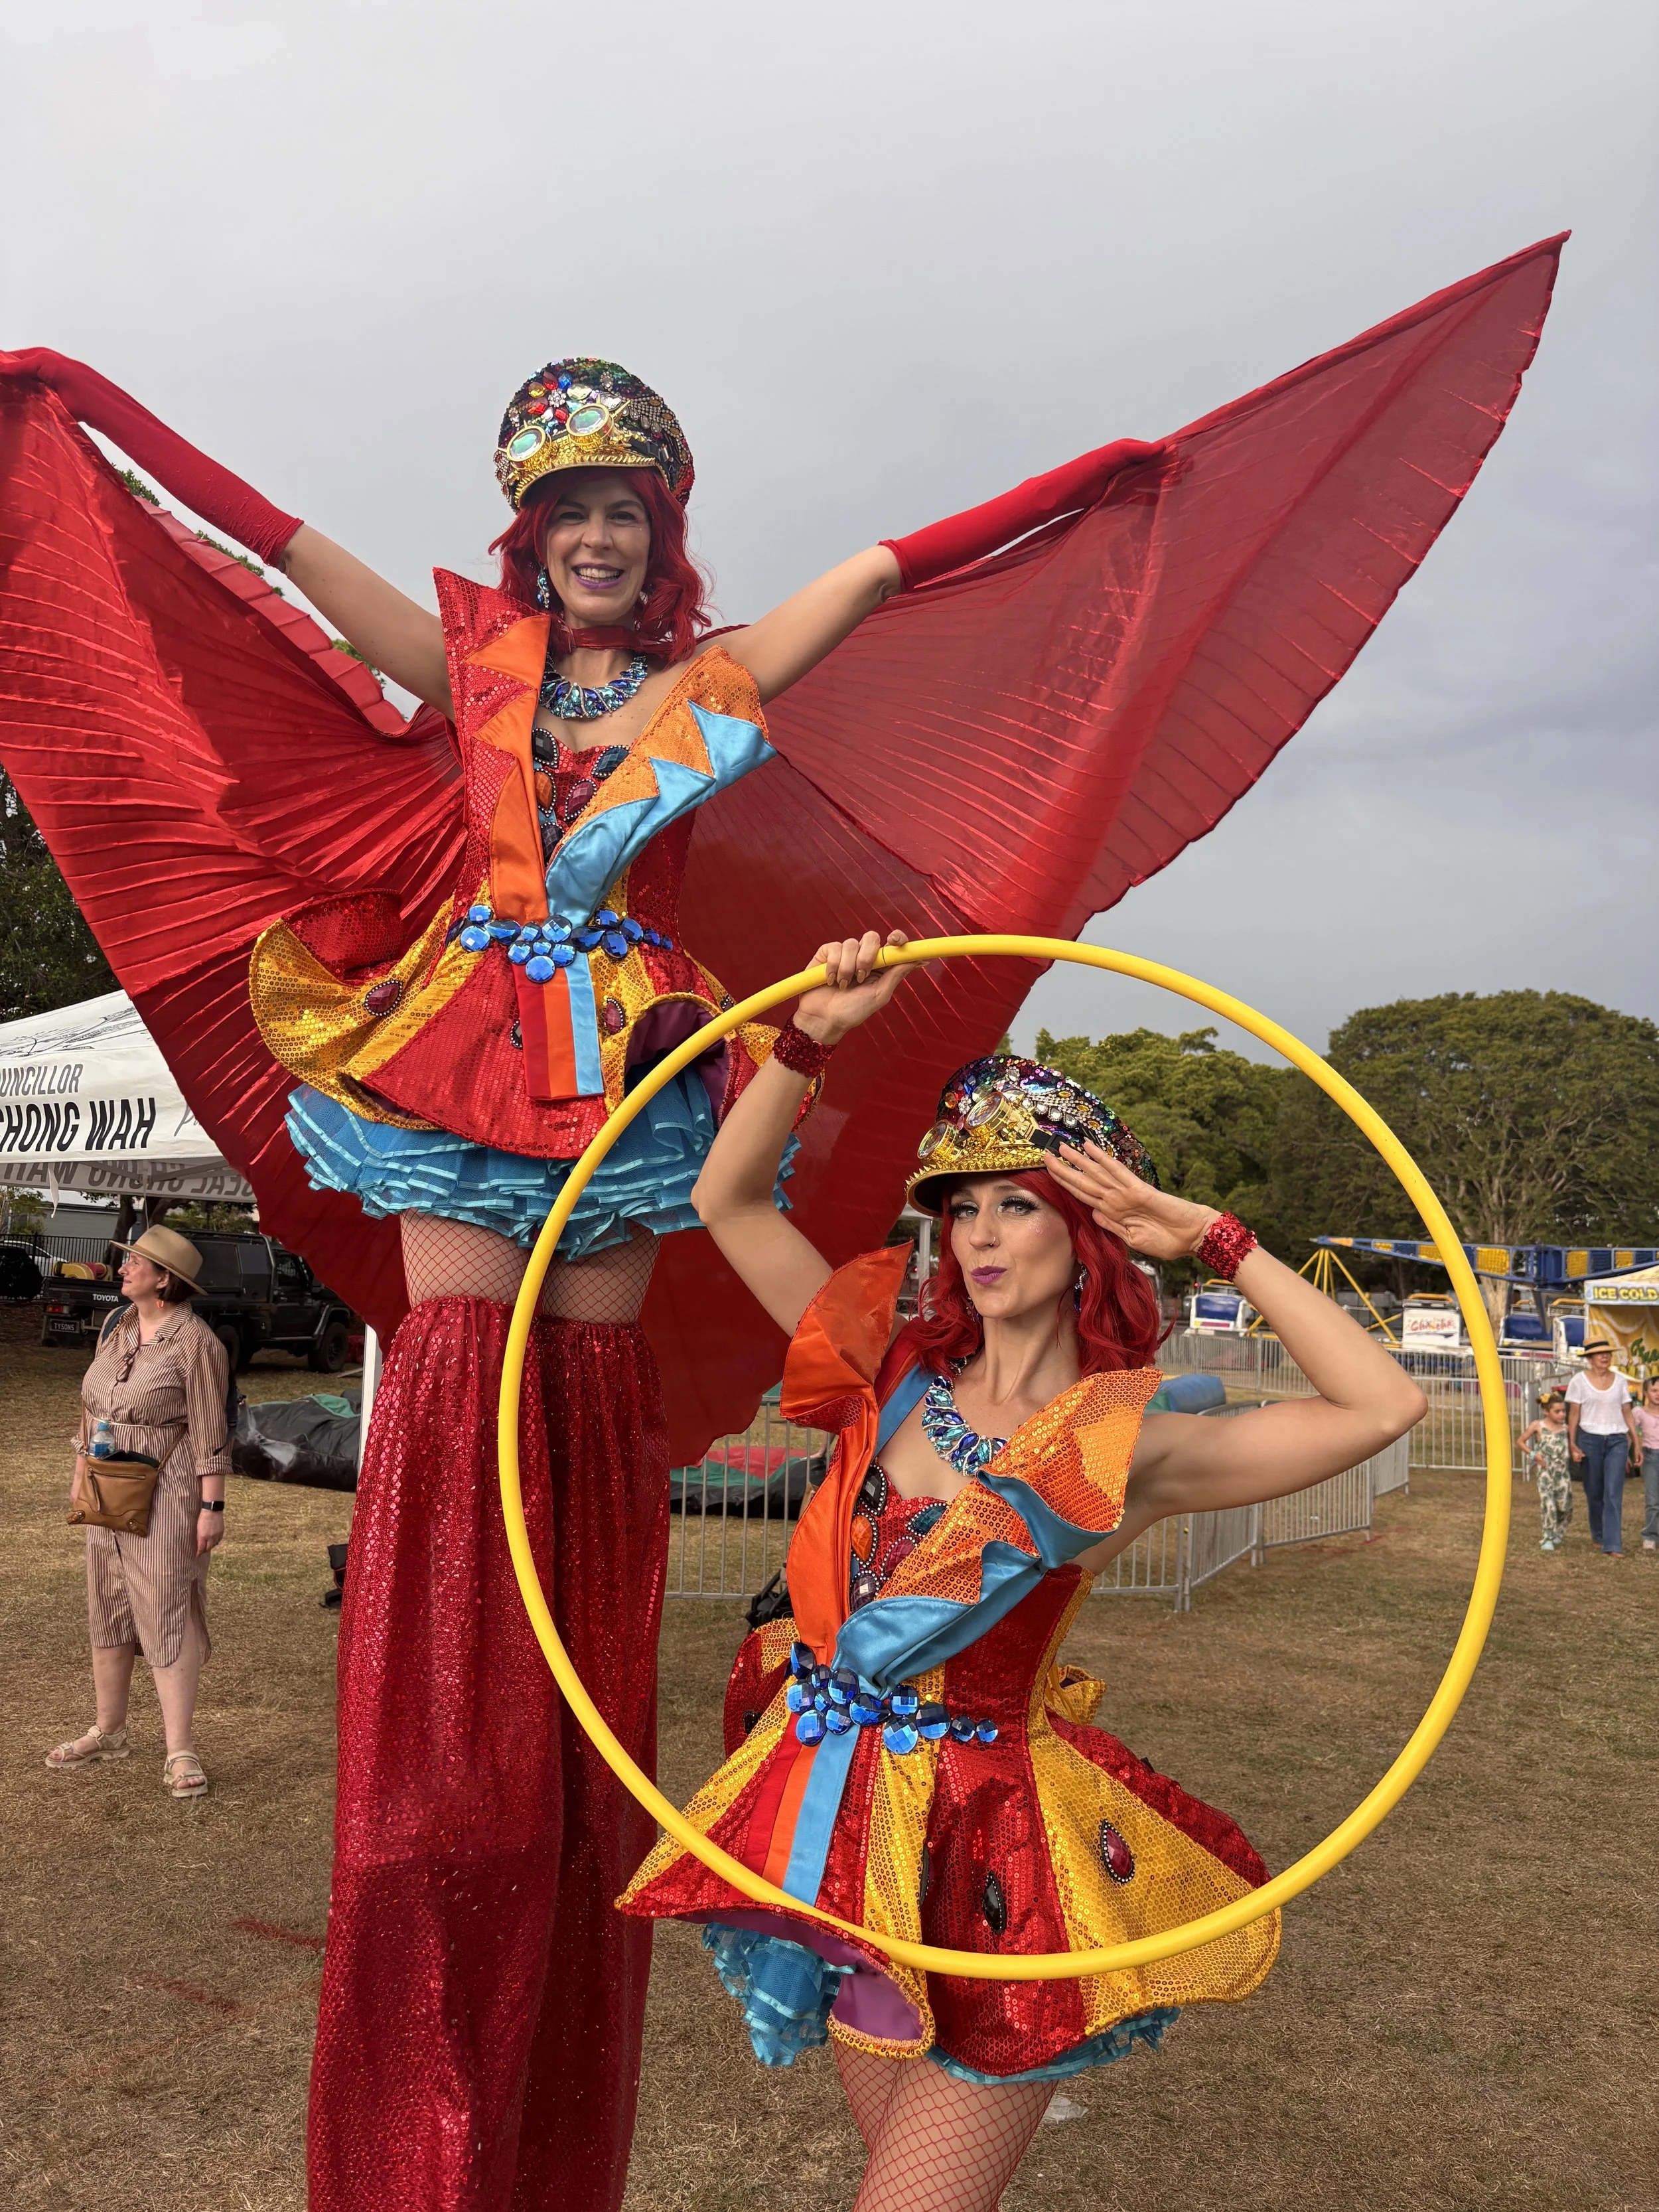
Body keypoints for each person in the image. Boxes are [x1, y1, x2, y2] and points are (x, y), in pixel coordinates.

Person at [0, 246, 1561, 2207]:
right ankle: (449, 1762)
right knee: (463, 1382)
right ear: (525, 532)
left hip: (638, 1072)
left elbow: (896, 575)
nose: (590, 532)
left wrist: (1102, 487)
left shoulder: (701, 694)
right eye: (562, 505)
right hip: (466, 1040)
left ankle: (557, 1763)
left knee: (576, 1397)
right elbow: (274, 553)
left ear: (660, 534)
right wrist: (86, 410)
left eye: (623, 507)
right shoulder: (470, 664)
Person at [621, 930, 1427, 2212]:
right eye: (963, 1206)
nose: (981, 1234)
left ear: (1091, 1232)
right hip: (837, 1826)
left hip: (996, 1856)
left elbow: (1383, 1405)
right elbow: (729, 1199)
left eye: (1020, 1203)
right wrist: (810, 1035)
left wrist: (1213, 1237)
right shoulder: (888, 1370)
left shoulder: (1132, 1446)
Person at [44, 1226, 228, 1801]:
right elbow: (90, 1405)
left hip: (168, 1490)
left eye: (136, 1264)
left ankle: (180, 1750)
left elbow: (209, 1434)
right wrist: (81, 1472)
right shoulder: (116, 1327)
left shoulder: (198, 1344)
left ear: (164, 1278)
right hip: (105, 1485)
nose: (122, 1270)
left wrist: (211, 1508)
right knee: (108, 1602)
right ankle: (109, 1730)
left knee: (165, 1606)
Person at [1565, 1341, 1640, 1556]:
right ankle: (1598, 1534)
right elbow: (1574, 1414)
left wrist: (1635, 1441)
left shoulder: (1620, 1382)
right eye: (1600, 1354)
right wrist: (1572, 1443)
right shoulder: (1578, 1382)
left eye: (1607, 1353)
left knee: (1613, 1492)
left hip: (1617, 1439)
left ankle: (1613, 1544)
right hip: (1590, 1440)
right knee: (1594, 1491)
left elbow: (1627, 1411)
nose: (1605, 1357)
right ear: (1590, 1358)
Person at [1518, 1386, 1571, 1552]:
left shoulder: (1566, 1429)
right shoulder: (1537, 1426)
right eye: (1557, 1412)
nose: (1562, 1415)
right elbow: (1520, 1441)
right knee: (1548, 1504)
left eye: (1563, 1411)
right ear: (1546, 1412)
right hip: (1546, 1472)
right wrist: (1534, 1454)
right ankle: (1547, 1536)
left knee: (1565, 1506)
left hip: (1562, 1473)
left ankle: (1558, 1532)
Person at [1637, 1375, 1659, 1554]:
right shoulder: (1639, 1413)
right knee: (1653, 1500)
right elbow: (1630, 1432)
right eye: (1654, 1390)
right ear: (1646, 1393)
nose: (1658, 1394)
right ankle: (1650, 1536)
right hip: (1651, 1457)